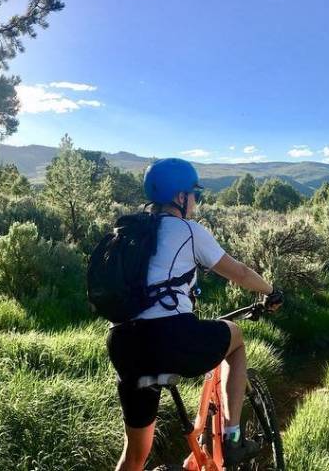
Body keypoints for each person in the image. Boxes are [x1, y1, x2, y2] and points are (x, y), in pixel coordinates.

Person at [107, 158, 279, 471]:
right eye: (194, 195)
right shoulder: (188, 230)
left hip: (124, 344)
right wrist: (270, 292)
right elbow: (239, 272)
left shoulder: (130, 234)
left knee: (134, 455)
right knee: (236, 340)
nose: (196, 202)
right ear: (181, 197)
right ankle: (233, 437)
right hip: (171, 337)